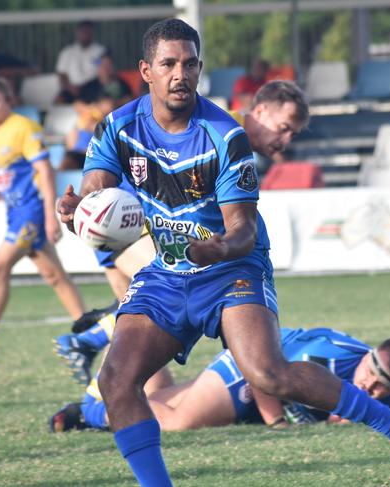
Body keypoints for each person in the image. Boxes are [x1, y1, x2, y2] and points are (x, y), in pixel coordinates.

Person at [56, 19, 390, 485]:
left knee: (268, 374)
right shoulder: (118, 126)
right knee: (117, 383)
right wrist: (80, 208)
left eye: (191, 64)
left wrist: (215, 248)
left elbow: (243, 230)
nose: (181, 73)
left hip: (231, 270)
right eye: (169, 63)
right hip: (169, 272)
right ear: (146, 71)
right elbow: (98, 186)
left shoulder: (224, 136)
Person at [53, 78, 311, 385]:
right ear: (262, 110)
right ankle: (89, 345)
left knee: (149, 370)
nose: (285, 139)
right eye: (283, 127)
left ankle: (96, 379)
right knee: (172, 295)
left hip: (130, 228)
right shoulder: (222, 128)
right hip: (125, 227)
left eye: (293, 134)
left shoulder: (225, 134)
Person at [50, 327, 390, 433]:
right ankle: (91, 412)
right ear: (367, 356)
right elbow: (265, 372)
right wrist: (277, 421)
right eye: (371, 375)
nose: (372, 388)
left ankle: (128, 366)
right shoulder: (324, 359)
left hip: (258, 371)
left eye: (385, 386)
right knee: (177, 421)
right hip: (245, 368)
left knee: (162, 398)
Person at [0, 77, 86, 357]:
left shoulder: (23, 127)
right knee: (55, 276)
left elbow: (45, 171)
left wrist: (51, 216)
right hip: (15, 214)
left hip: (32, 212)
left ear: (8, 102)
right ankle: (88, 332)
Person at [55, 21, 107, 104]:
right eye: (83, 32)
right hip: (71, 88)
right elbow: (62, 74)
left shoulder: (100, 51)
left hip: (93, 87)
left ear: (92, 33)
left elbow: (104, 72)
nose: (85, 35)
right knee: (58, 101)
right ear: (77, 33)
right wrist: (69, 87)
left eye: (88, 32)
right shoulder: (67, 52)